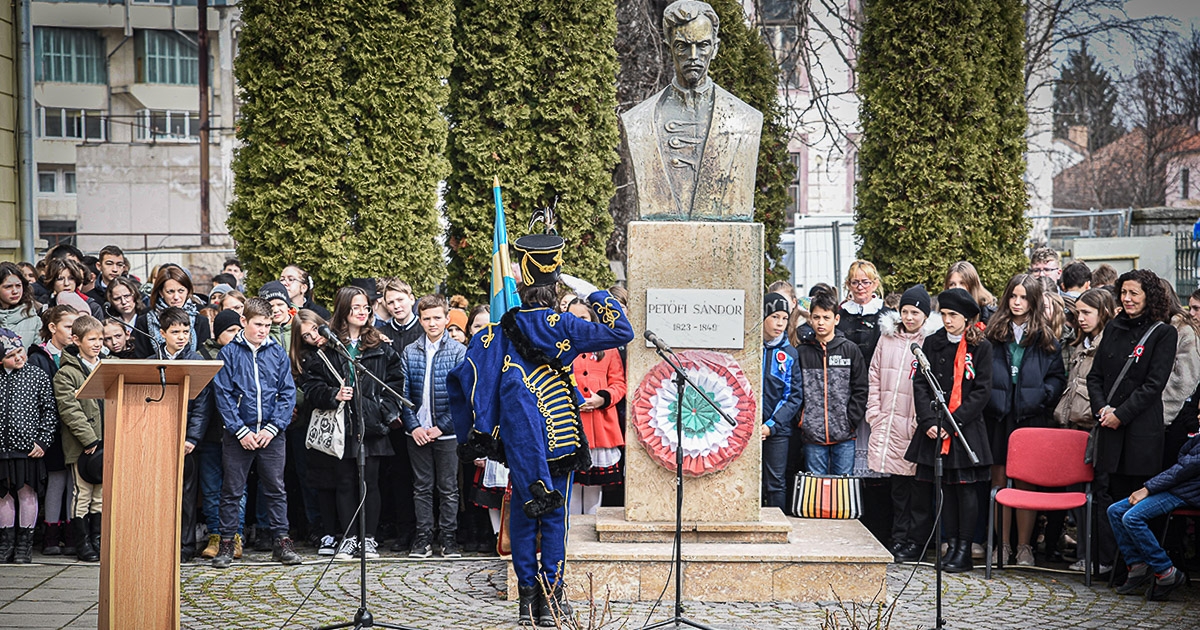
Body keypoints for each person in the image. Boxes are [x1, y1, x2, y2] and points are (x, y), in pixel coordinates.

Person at [449, 232, 634, 627]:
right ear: (556, 287)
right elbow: (622, 332)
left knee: (523, 514)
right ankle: (551, 602)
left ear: (523, 283)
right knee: (553, 518)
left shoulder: (500, 329)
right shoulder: (564, 324)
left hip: (518, 436)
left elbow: (465, 377)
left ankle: (526, 601)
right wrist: (594, 293)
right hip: (560, 433)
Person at [1087, 269, 1178, 580]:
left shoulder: (1163, 333)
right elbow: (1095, 376)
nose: (1126, 299)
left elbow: (1153, 385)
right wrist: (1102, 409)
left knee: (1137, 501)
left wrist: (1120, 414)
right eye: (1123, 293)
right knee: (1111, 497)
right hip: (1109, 427)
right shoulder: (1113, 327)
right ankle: (1121, 566)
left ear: (1148, 297)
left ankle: (1149, 567)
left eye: (1133, 293)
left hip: (1140, 431)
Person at [302, 287, 402, 561]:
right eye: (355, 307)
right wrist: (332, 395)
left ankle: (368, 538)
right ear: (344, 309)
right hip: (342, 426)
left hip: (371, 424)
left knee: (370, 482)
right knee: (345, 481)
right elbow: (311, 386)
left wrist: (383, 411)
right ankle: (348, 538)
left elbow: (395, 382)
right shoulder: (328, 347)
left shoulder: (380, 345)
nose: (362, 312)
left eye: (365, 307)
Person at [906, 288, 994, 573]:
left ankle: (964, 548)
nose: (947, 320)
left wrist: (953, 423)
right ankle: (950, 544)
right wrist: (929, 421)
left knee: (964, 490)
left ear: (967, 318)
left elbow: (981, 391)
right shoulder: (932, 342)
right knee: (943, 489)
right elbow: (921, 383)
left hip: (964, 428)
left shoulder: (981, 347)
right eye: (943, 314)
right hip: (935, 427)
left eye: (953, 315)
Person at [209, 297, 301, 567]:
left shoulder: (277, 352)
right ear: (244, 321)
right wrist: (240, 431)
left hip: (271, 434)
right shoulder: (228, 353)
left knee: (276, 488)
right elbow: (223, 395)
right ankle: (227, 542)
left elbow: (287, 393)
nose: (263, 330)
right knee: (232, 490)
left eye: (267, 325)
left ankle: (281, 541)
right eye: (258, 324)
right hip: (239, 434)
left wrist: (273, 427)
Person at [983, 274, 1066, 567]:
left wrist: (1042, 395)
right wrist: (991, 398)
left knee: (1026, 483)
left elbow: (1057, 377)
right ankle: (1002, 544)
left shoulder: (1045, 338)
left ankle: (1024, 546)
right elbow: (983, 372)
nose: (1017, 303)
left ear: (1033, 301)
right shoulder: (993, 334)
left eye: (1024, 298)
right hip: (999, 416)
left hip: (1030, 418)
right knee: (999, 481)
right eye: (1013, 296)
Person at [867, 285, 935, 562]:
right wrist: (874, 412)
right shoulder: (887, 338)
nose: (909, 317)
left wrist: (923, 419)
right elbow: (874, 374)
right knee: (897, 486)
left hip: (915, 423)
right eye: (905, 311)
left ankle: (915, 541)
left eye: (915, 313)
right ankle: (898, 537)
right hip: (889, 420)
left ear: (925, 315)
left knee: (918, 488)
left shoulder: (929, 341)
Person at [1052, 287, 1116, 572]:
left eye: (1087, 313)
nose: (1080, 318)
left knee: (1099, 494)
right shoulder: (1080, 344)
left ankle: (1101, 558)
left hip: (1096, 426)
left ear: (1103, 312)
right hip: (1074, 427)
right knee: (1077, 493)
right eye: (1078, 313)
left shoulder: (1107, 345)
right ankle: (1085, 554)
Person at [400, 294, 466, 558]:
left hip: (446, 433)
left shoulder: (458, 352)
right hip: (417, 432)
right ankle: (423, 536)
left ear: (447, 318)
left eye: (437, 318)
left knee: (448, 487)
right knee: (421, 486)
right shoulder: (410, 351)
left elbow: (463, 397)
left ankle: (448, 537)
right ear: (420, 320)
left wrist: (443, 427)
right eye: (426, 318)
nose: (432, 323)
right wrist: (414, 426)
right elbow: (403, 394)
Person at [1108, 433, 1200, 601]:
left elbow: (1183, 469)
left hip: (1187, 491)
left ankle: (1165, 571)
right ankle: (1137, 565)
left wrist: (1148, 489)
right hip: (1178, 486)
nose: (1198, 419)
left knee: (1132, 518)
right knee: (1115, 511)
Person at [153, 307, 212, 561]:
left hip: (186, 439)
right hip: (158, 437)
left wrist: (192, 438)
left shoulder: (195, 361)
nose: (181, 337)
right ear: (162, 333)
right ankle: (159, 542)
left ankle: (185, 546)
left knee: (187, 495)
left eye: (185, 332)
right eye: (175, 332)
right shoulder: (151, 361)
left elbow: (202, 405)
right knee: (159, 493)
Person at [565, 299, 629, 515]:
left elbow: (619, 383)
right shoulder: (561, 347)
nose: (578, 322)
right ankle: (571, 531)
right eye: (572, 317)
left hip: (601, 426)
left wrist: (602, 398)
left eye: (583, 317)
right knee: (573, 487)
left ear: (592, 318)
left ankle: (591, 528)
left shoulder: (608, 348)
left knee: (594, 490)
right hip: (570, 426)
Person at [0, 329, 57, 563]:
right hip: (2, 448)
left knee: (26, 492)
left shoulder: (36, 375)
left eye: (20, 351)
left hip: (27, 448)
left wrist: (43, 440)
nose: (18, 358)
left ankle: (24, 544)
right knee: (3, 494)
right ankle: (6, 543)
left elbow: (49, 411)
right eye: (10, 355)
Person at [796, 291, 868, 476]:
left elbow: (861, 388)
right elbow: (794, 389)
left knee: (842, 486)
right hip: (812, 434)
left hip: (844, 434)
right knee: (816, 486)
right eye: (816, 317)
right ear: (810, 319)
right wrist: (803, 420)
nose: (821, 322)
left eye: (826, 317)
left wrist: (851, 420)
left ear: (836, 319)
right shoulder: (802, 352)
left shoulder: (850, 350)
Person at [52, 314, 106, 562]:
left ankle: (98, 538)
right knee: (82, 494)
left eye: (100, 339)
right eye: (92, 339)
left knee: (100, 496)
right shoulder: (66, 374)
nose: (98, 344)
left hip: (107, 444)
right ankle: (82, 542)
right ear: (76, 340)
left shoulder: (107, 366)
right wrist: (90, 440)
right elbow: (69, 410)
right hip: (83, 446)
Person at [26, 305, 78, 556]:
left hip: (74, 430)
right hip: (52, 432)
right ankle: (51, 535)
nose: (73, 332)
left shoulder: (77, 355)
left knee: (74, 483)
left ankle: (72, 534)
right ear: (53, 327)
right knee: (57, 480)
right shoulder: (38, 357)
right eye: (68, 326)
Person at [375, 278, 421, 552]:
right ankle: (404, 530)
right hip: (393, 418)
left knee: (426, 478)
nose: (396, 306)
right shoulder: (380, 332)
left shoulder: (424, 328)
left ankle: (427, 529)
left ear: (411, 298)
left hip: (422, 414)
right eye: (390, 302)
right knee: (399, 476)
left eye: (400, 300)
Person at [196, 310, 246, 561]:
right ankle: (216, 534)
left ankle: (235, 534)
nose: (235, 335)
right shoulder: (202, 355)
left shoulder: (245, 354)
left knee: (237, 488)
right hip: (210, 432)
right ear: (218, 333)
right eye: (230, 331)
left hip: (238, 432)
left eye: (239, 330)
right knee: (211, 487)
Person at [760, 292, 802, 511]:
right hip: (747, 428)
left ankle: (778, 521)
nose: (780, 323)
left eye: (785, 318)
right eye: (774, 317)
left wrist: (771, 425)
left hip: (777, 430)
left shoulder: (790, 353)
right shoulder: (749, 350)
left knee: (775, 482)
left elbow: (794, 396)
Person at [133, 266, 211, 358]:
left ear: (188, 291)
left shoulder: (201, 320)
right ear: (161, 292)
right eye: (170, 292)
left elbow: (205, 356)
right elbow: (140, 358)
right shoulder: (145, 321)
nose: (176, 297)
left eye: (181, 291)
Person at [838, 260, 891, 363]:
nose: (860, 287)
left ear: (875, 284)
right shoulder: (840, 315)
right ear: (849, 285)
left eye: (865, 282)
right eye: (855, 282)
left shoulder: (887, 316)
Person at [0, 262, 41, 351]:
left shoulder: (33, 319)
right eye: (8, 287)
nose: (15, 291)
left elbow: (38, 354)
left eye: (18, 286)